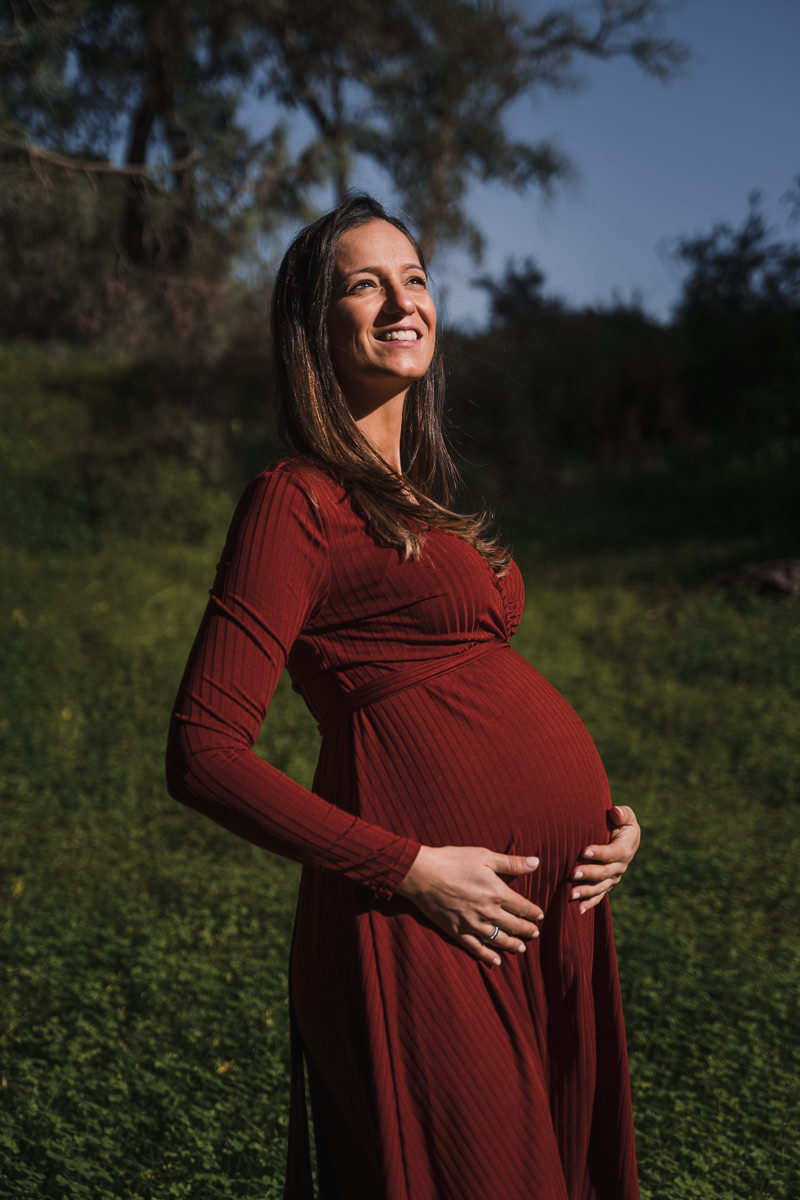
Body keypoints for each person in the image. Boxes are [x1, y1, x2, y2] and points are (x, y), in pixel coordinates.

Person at [166, 193, 642, 1200]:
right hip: (420, 924)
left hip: (545, 916)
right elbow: (203, 750)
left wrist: (606, 826)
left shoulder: (421, 498)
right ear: (313, 326)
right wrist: (407, 869)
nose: (400, 300)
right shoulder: (294, 499)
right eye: (363, 283)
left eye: (414, 278)